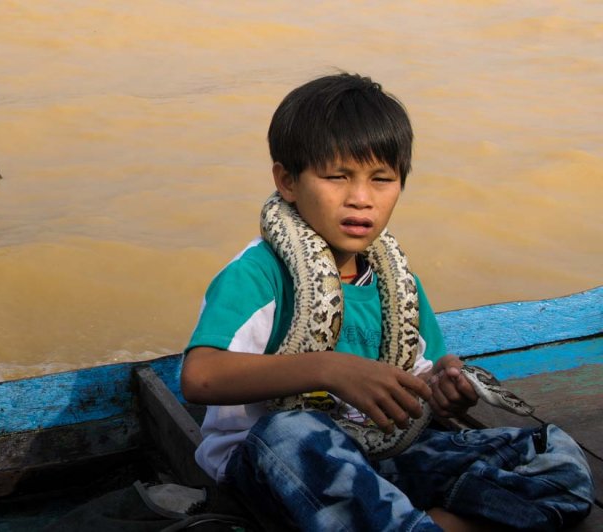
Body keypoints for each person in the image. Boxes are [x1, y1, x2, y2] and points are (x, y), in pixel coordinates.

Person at [180, 73, 594, 531]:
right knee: (291, 432)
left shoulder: (400, 284)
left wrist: (445, 390)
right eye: (337, 177)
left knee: (554, 455)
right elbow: (200, 379)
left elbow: (422, 382)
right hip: (281, 465)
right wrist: (328, 367)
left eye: (382, 179)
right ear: (287, 181)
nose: (360, 198)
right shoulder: (258, 274)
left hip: (382, 458)